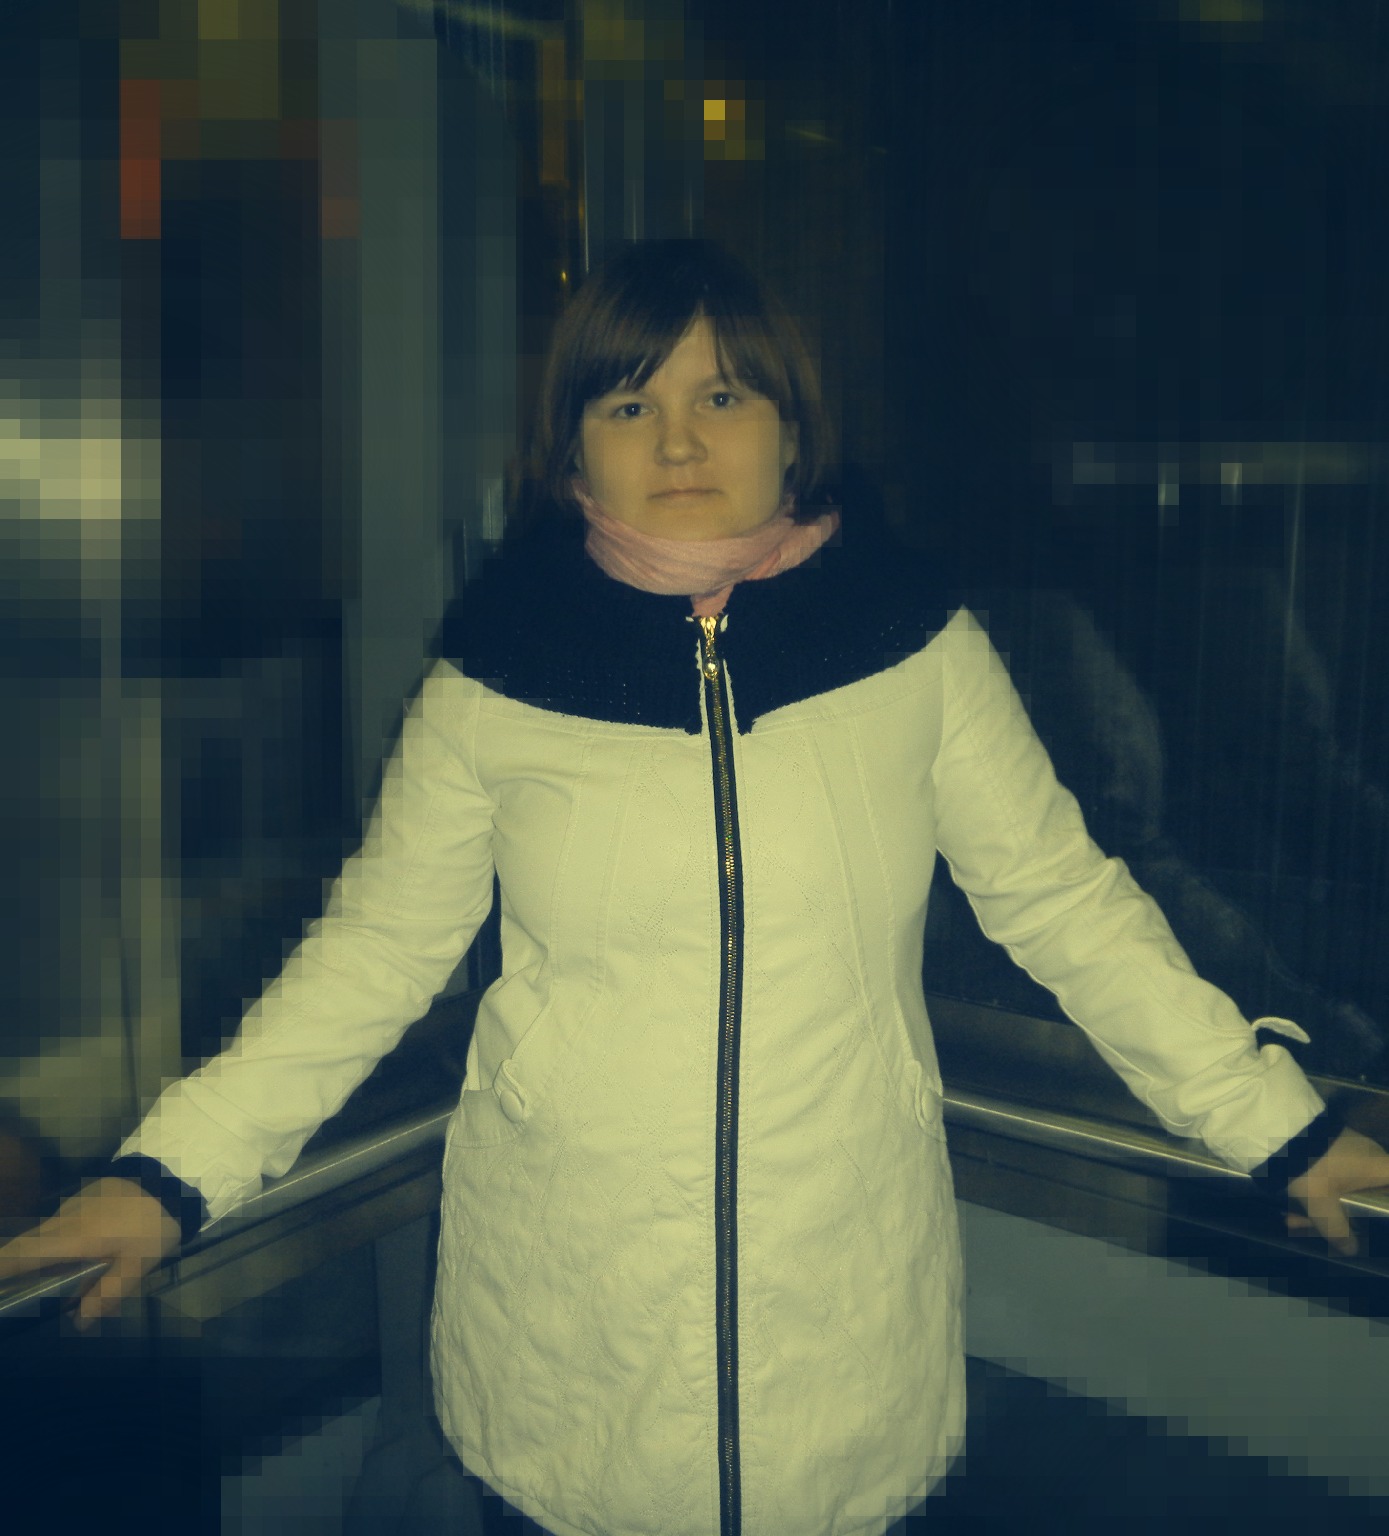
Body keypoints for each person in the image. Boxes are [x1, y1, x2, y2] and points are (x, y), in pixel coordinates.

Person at [3, 238, 1389, 1536]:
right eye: (629, 403)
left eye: (721, 394)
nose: (678, 440)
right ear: (572, 451)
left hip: (842, 1328)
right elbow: (371, 956)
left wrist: (1276, 1123)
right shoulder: (500, 670)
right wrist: (165, 1178)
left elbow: (1064, 903)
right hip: (565, 1338)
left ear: (791, 424)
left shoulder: (910, 642)